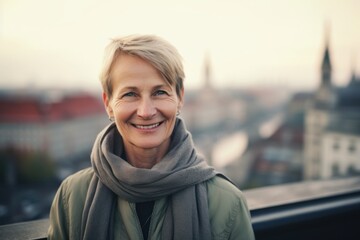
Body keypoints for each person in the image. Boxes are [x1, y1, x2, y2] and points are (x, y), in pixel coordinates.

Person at [48, 34, 255, 240]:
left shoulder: (228, 203)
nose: (146, 112)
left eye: (160, 92)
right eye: (130, 94)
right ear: (108, 103)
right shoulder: (71, 197)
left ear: (180, 97)